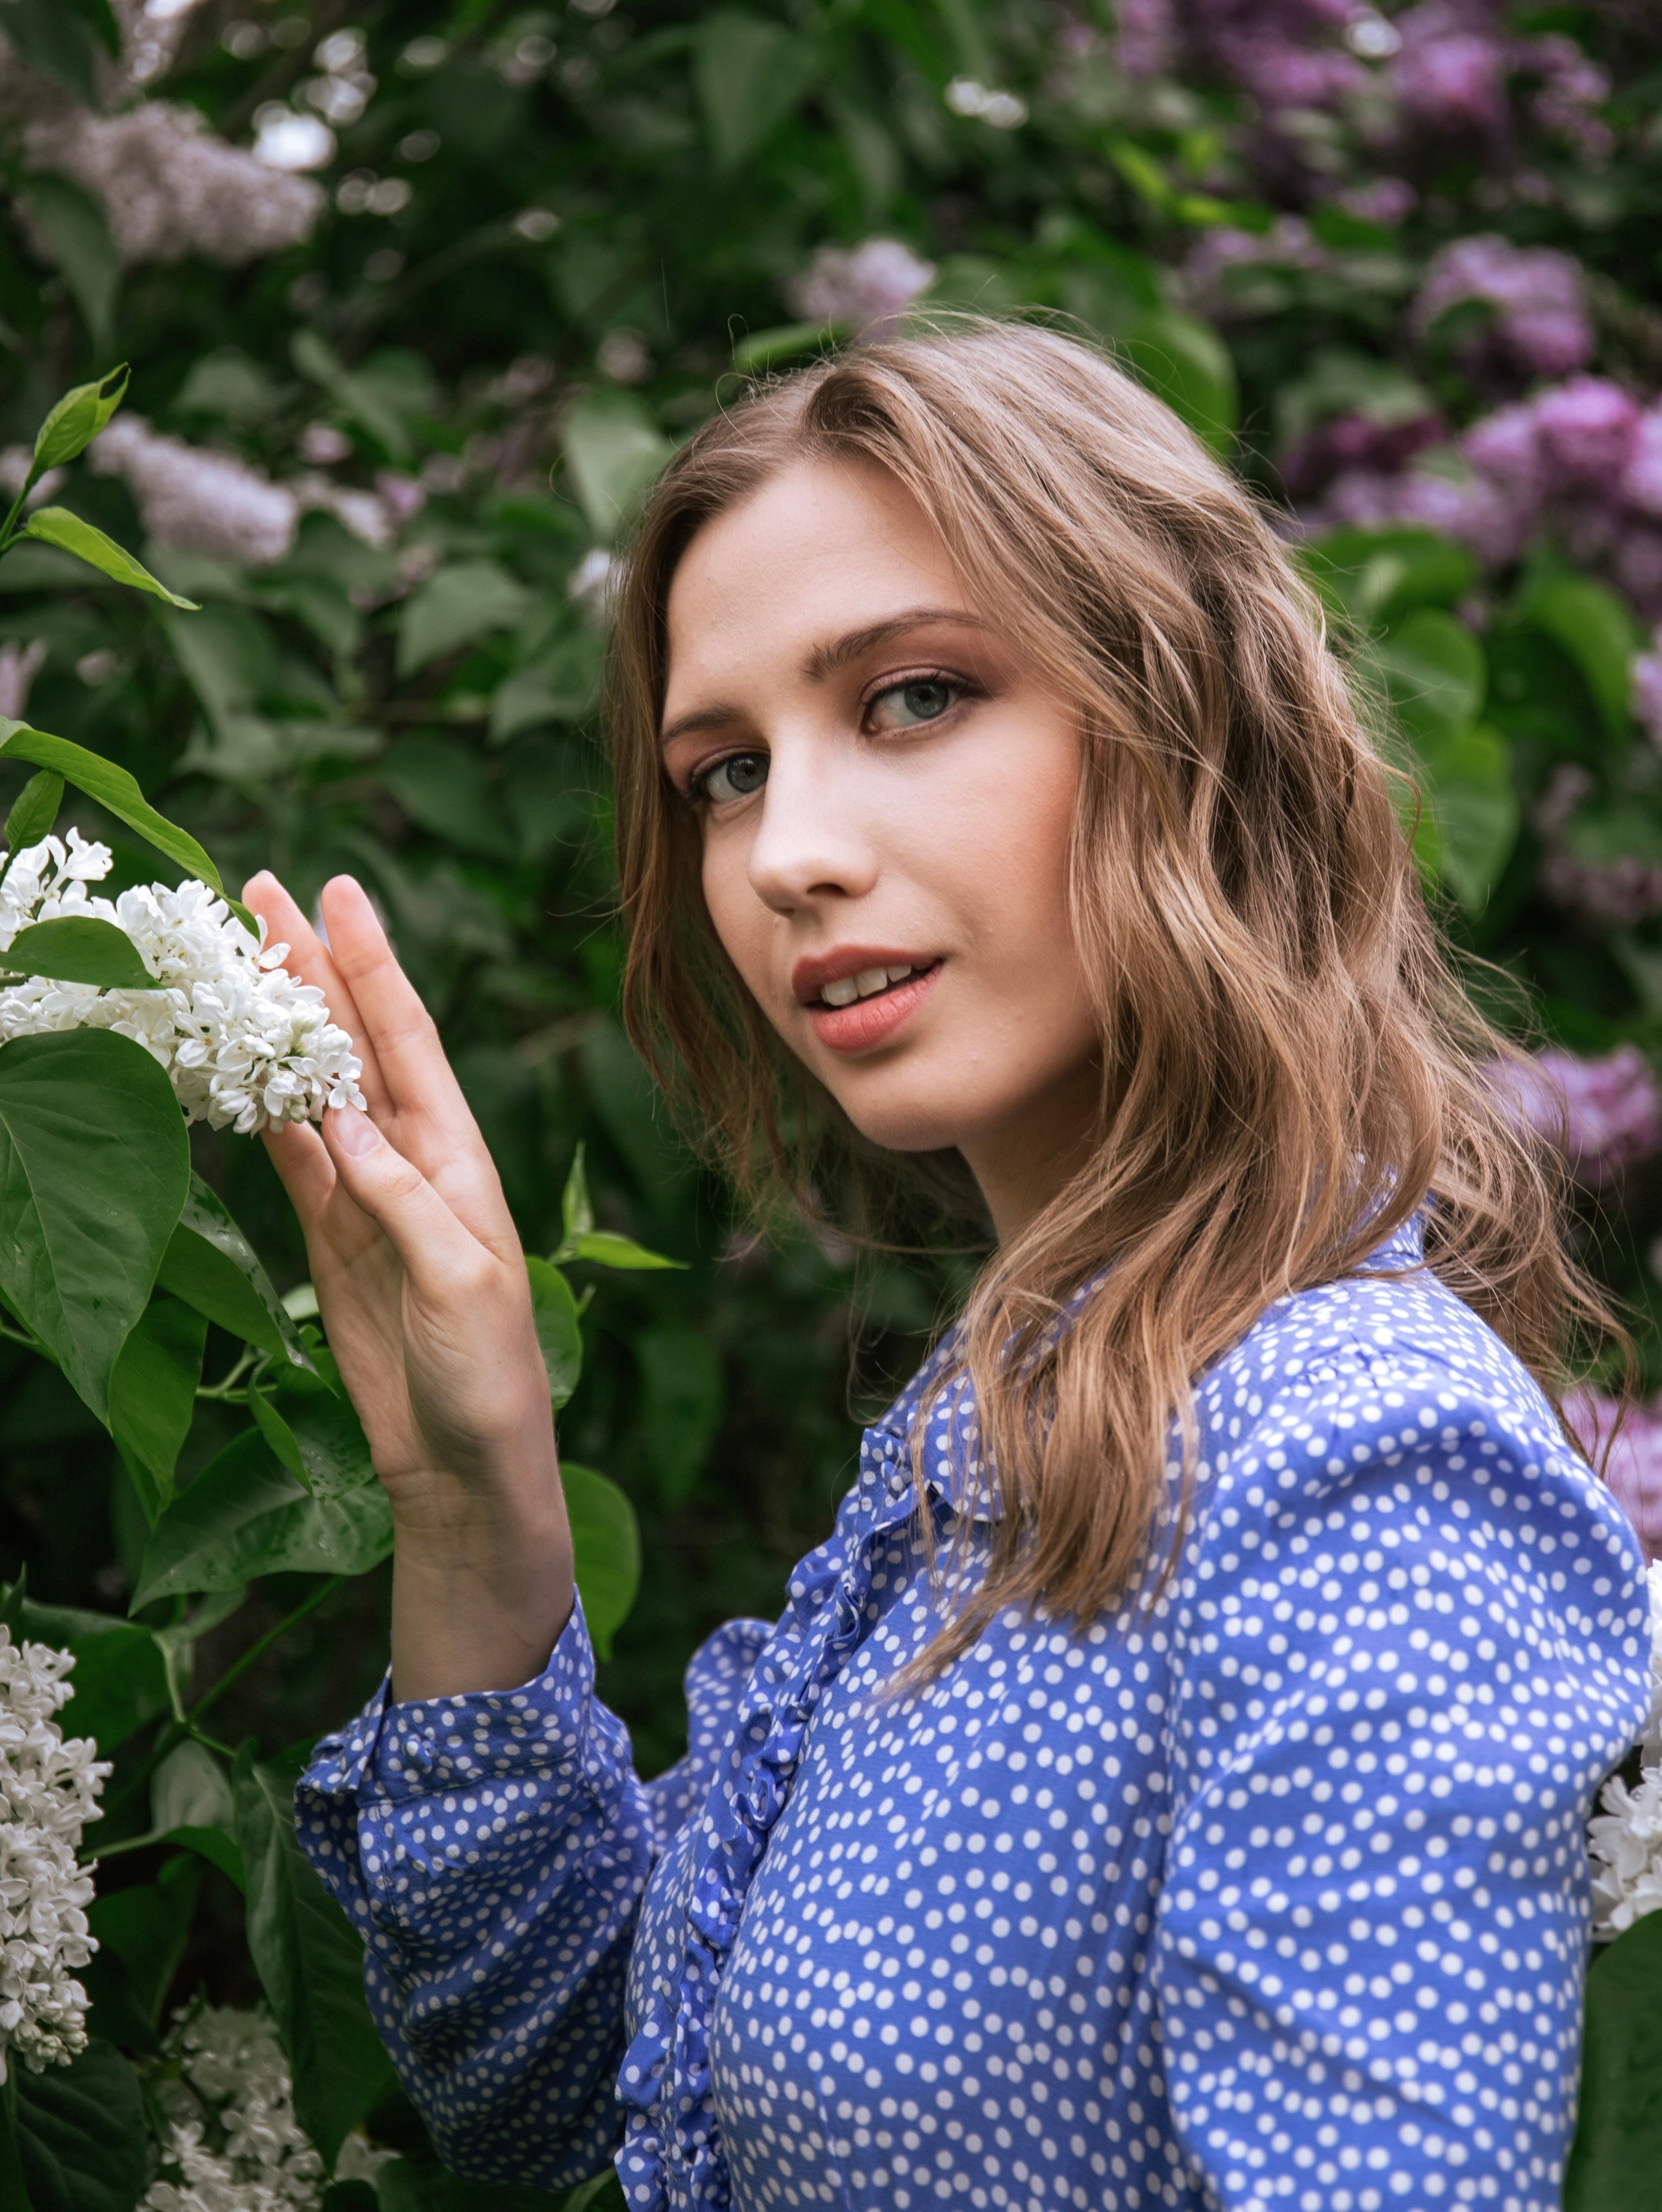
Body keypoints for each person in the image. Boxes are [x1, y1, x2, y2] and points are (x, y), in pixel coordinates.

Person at [254, 322, 1653, 2212]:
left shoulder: (1343, 1458)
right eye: (725, 770)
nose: (785, 856)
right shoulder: (996, 1430)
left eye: (913, 698)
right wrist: (471, 1502)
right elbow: (598, 2123)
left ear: (1189, 716)